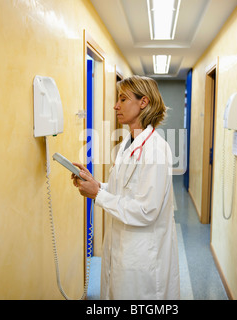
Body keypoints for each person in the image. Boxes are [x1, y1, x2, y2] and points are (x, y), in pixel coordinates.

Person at [71, 75, 180, 300]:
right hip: (122, 247)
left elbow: (146, 210)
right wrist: (96, 184)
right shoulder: (127, 144)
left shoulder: (156, 150)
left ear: (144, 102)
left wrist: (98, 195)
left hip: (142, 254)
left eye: (122, 99)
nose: (115, 106)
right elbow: (124, 189)